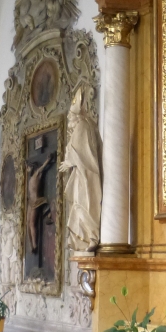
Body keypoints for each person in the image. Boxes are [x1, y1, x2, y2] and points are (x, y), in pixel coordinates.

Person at [59, 88, 102, 253]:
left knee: (83, 205)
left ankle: (92, 237)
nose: (69, 119)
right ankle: (85, 238)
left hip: (86, 174)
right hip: (83, 173)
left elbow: (79, 151)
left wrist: (69, 161)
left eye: (71, 116)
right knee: (80, 205)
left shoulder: (82, 126)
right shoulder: (86, 125)